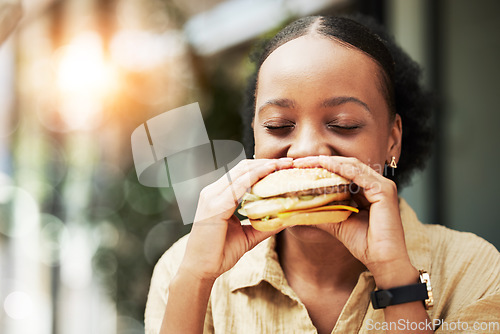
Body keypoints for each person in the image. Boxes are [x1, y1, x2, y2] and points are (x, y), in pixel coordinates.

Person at [145, 15, 500, 334]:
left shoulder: (475, 271)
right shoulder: (184, 268)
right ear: (254, 133)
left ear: (393, 139)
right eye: (279, 125)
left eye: (342, 125)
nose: (306, 150)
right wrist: (195, 279)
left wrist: (395, 278)